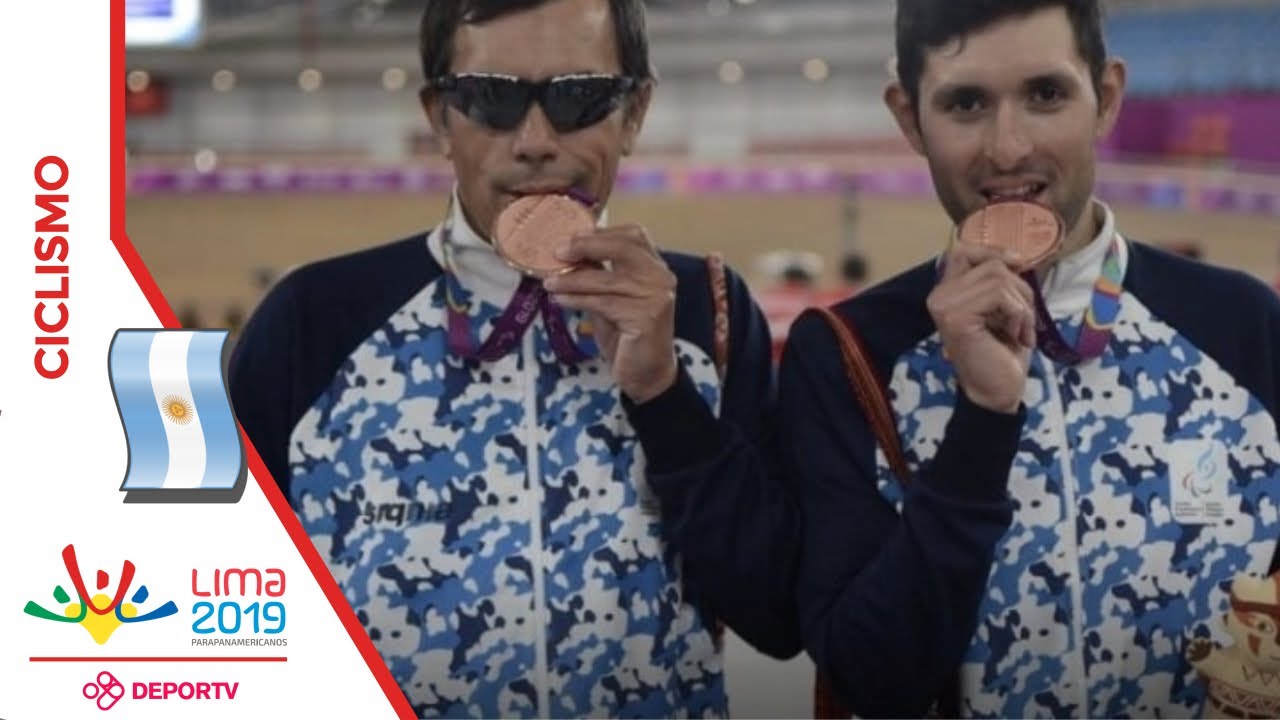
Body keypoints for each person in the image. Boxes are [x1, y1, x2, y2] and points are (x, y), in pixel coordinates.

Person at [228, 0, 800, 717]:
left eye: (580, 98)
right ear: (439, 116)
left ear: (634, 113)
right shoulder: (314, 320)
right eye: (491, 99)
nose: (535, 141)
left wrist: (665, 397)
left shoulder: (706, 312)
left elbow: (778, 619)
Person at [779, 1, 1280, 717]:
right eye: (965, 103)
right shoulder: (847, 356)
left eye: (1046, 95)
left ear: (1106, 97)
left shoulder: (1242, 324)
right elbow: (873, 681)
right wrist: (982, 422)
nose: (1009, 149)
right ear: (908, 119)